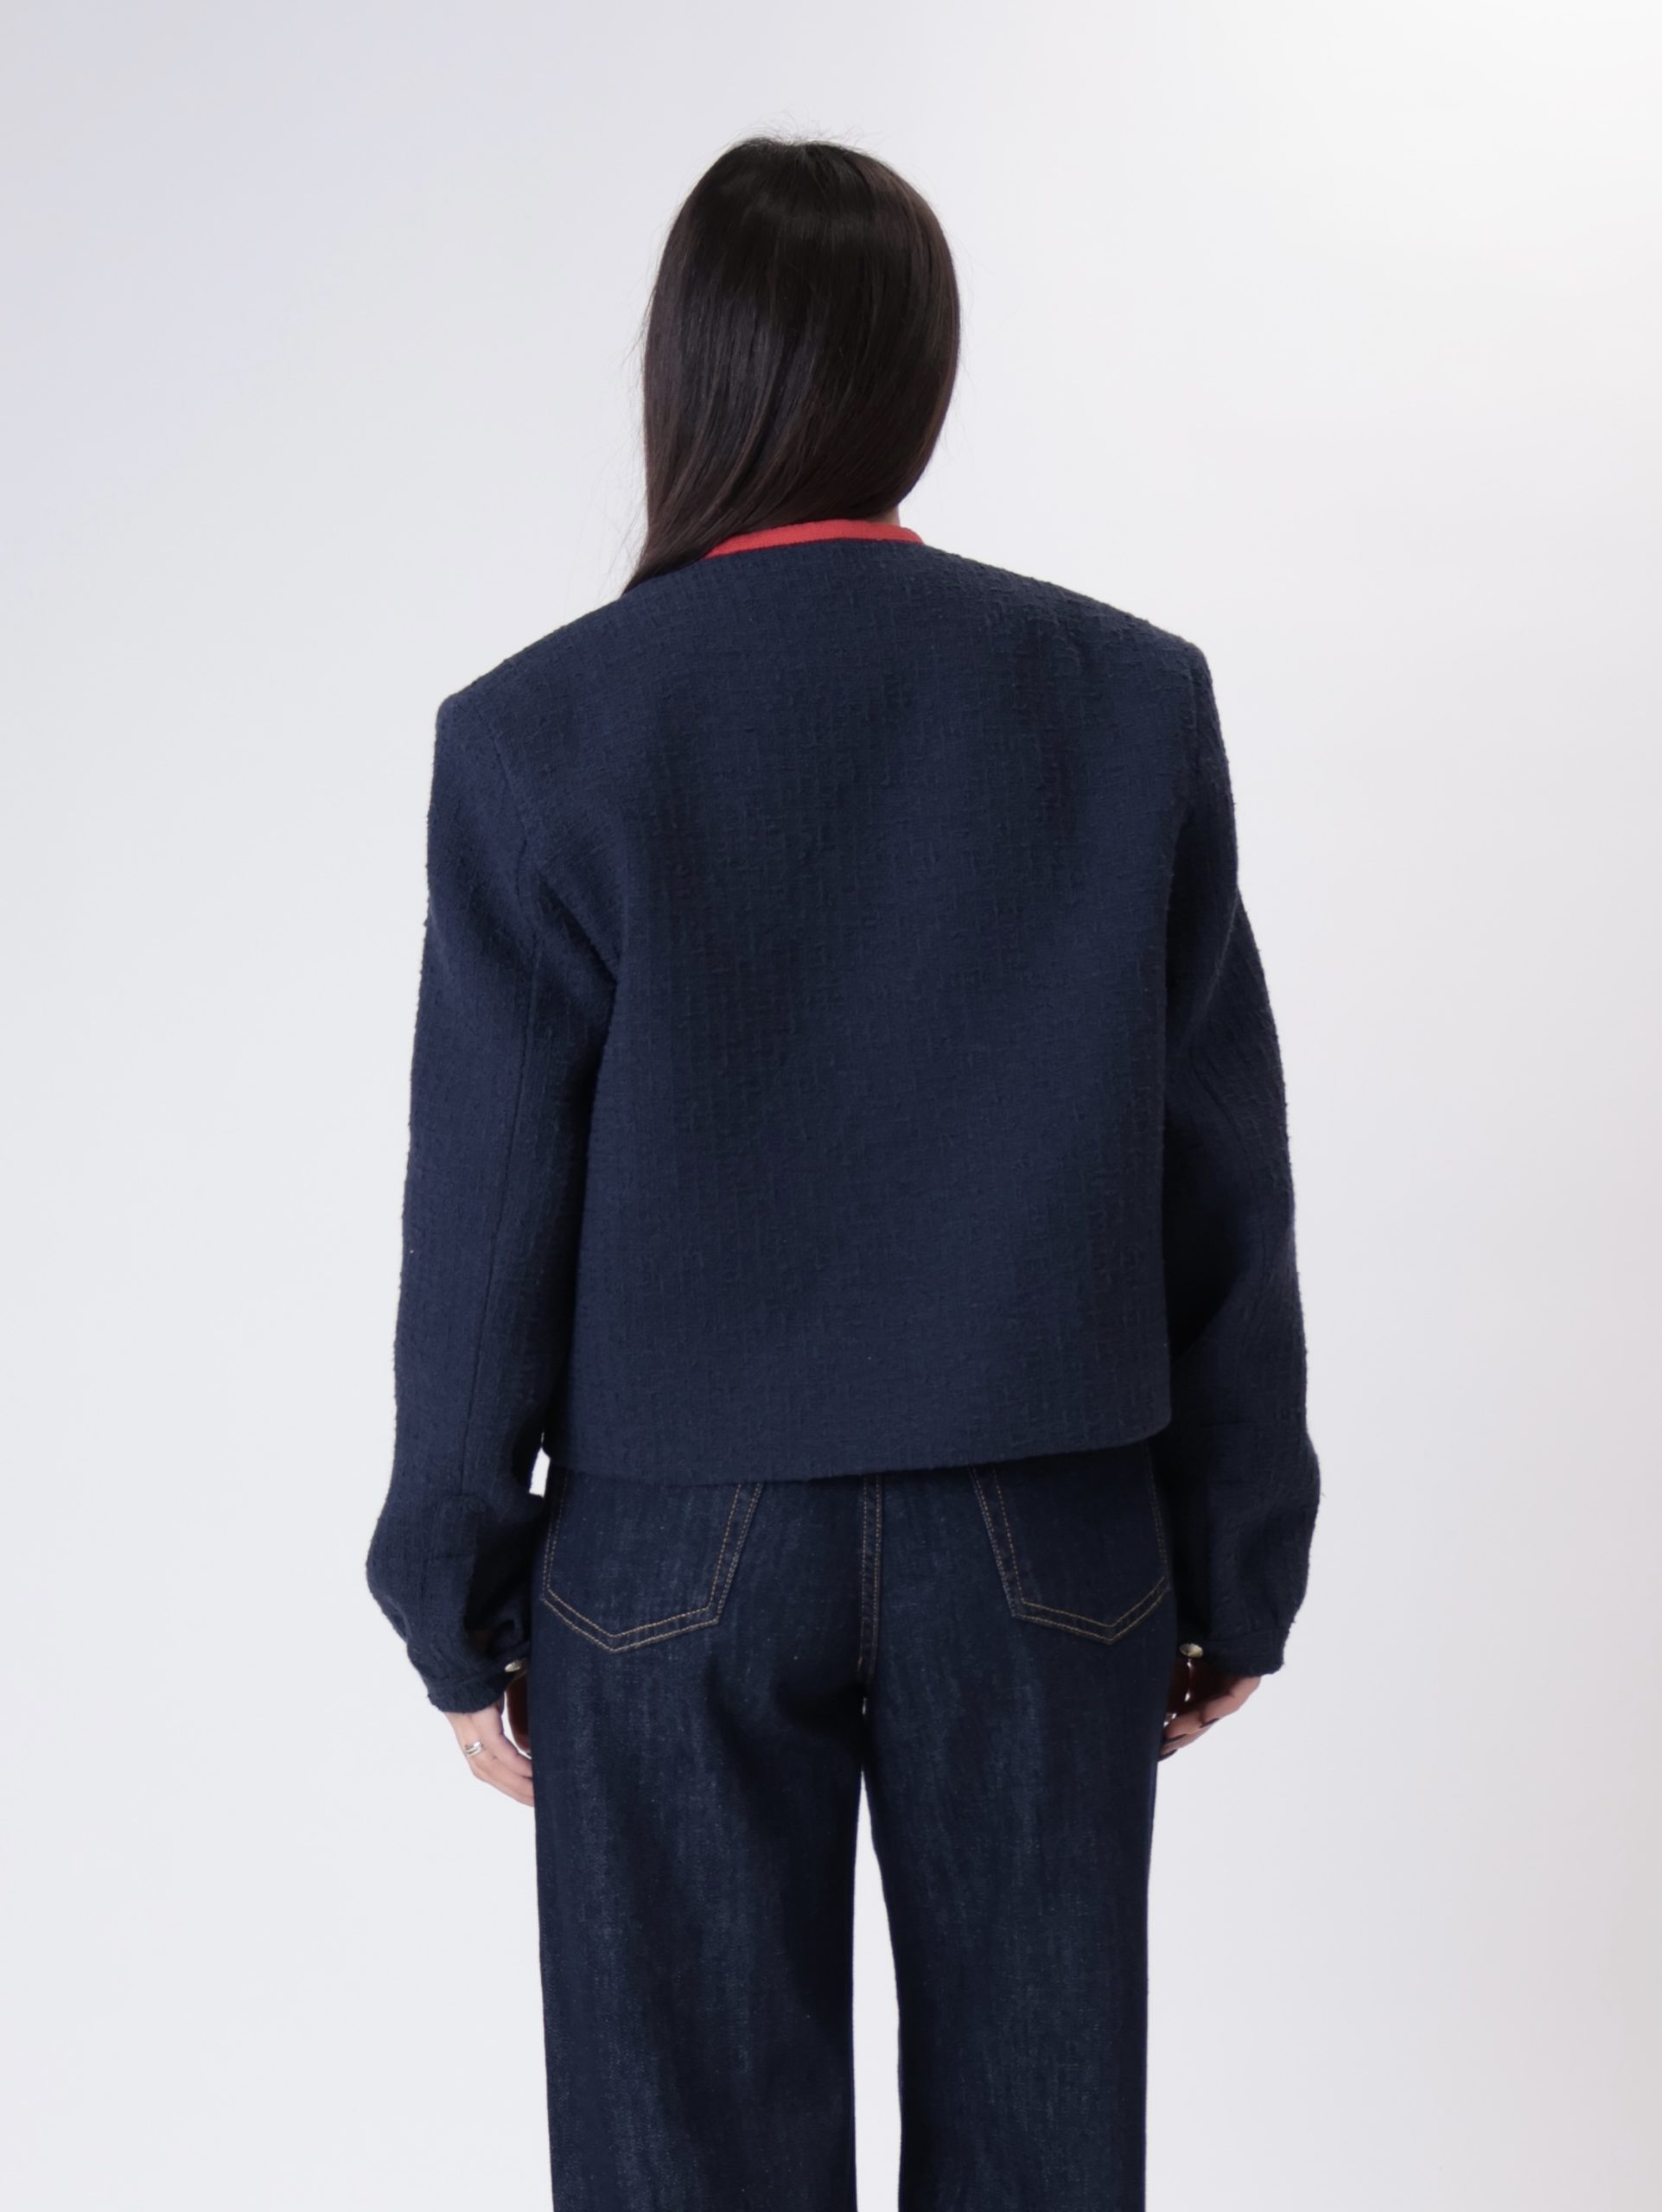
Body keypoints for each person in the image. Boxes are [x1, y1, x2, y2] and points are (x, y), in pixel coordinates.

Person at [367, 135, 1319, 2212]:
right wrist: (1237, 1551)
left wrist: (453, 1584)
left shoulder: (543, 730)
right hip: (1048, 1529)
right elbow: (1215, 1168)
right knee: (1040, 2156)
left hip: (667, 1546)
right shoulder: (1124, 702)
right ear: (921, 370)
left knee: (683, 2162)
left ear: (687, 372)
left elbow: (490, 1205)